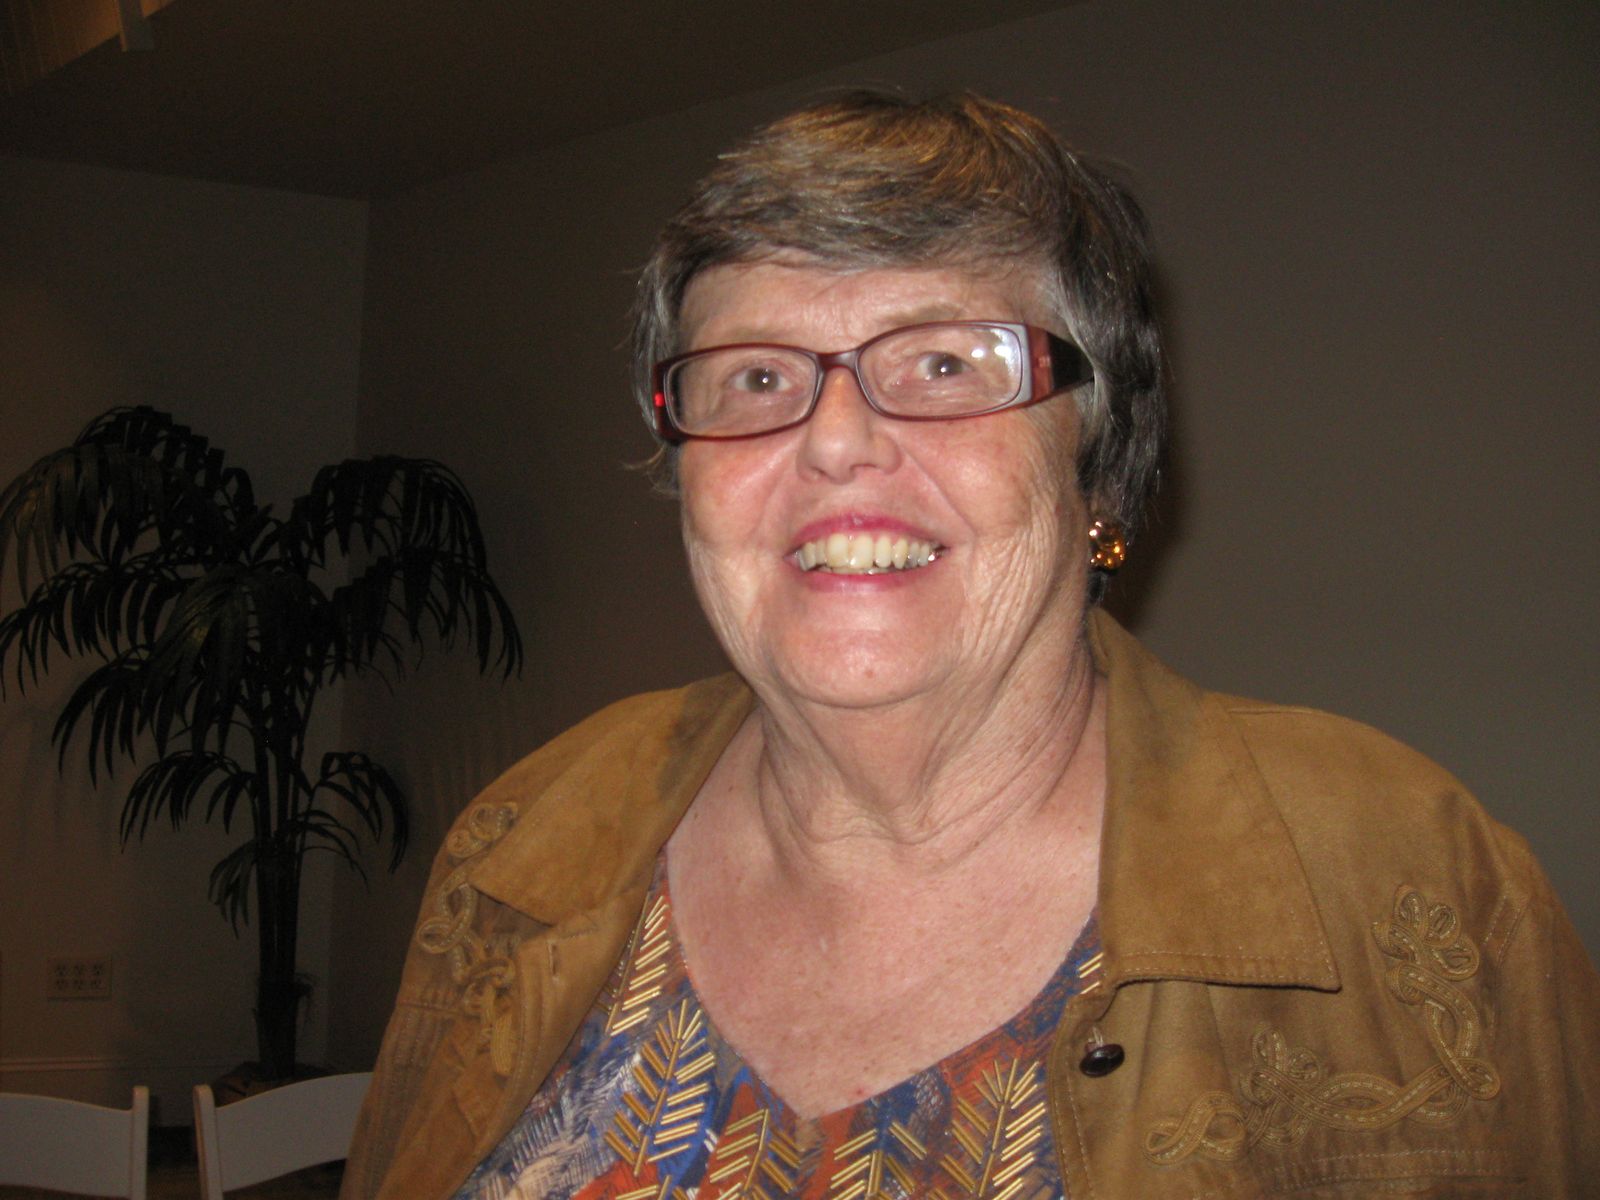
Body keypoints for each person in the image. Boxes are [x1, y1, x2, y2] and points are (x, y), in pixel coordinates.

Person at [340, 91, 1598, 1199]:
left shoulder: (1411, 881)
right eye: (756, 378)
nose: (834, 443)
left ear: (1097, 460)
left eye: (945, 362)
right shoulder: (525, 838)